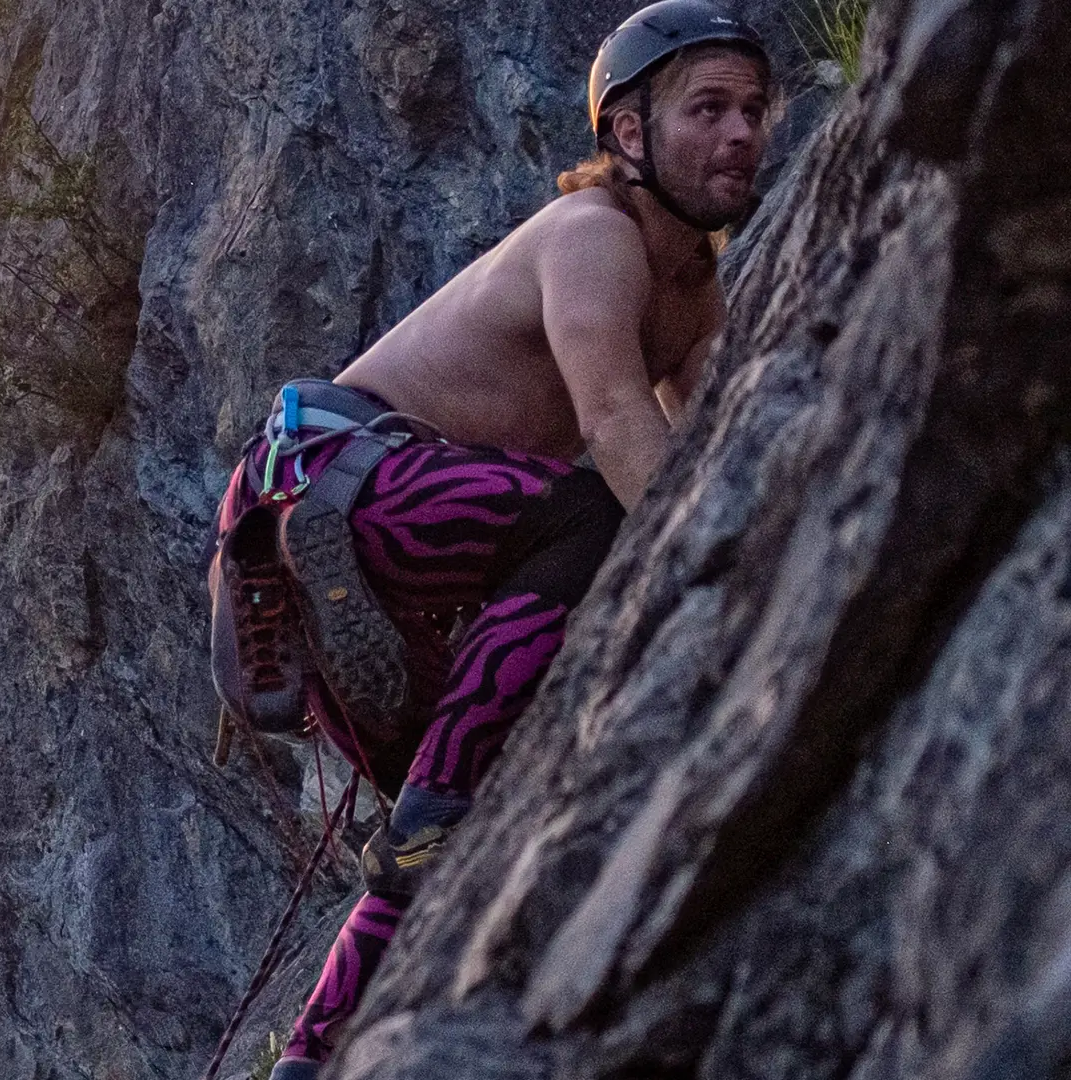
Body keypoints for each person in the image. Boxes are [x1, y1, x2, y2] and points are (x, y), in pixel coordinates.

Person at [204, 3, 774, 1076]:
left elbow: (708, 446)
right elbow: (618, 423)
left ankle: (308, 1059)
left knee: (452, 829)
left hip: (389, 539)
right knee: (592, 512)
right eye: (707, 109)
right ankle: (432, 806)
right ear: (630, 133)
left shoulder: (692, 292)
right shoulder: (594, 237)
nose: (742, 132)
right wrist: (733, 582)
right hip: (327, 475)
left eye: (754, 109)